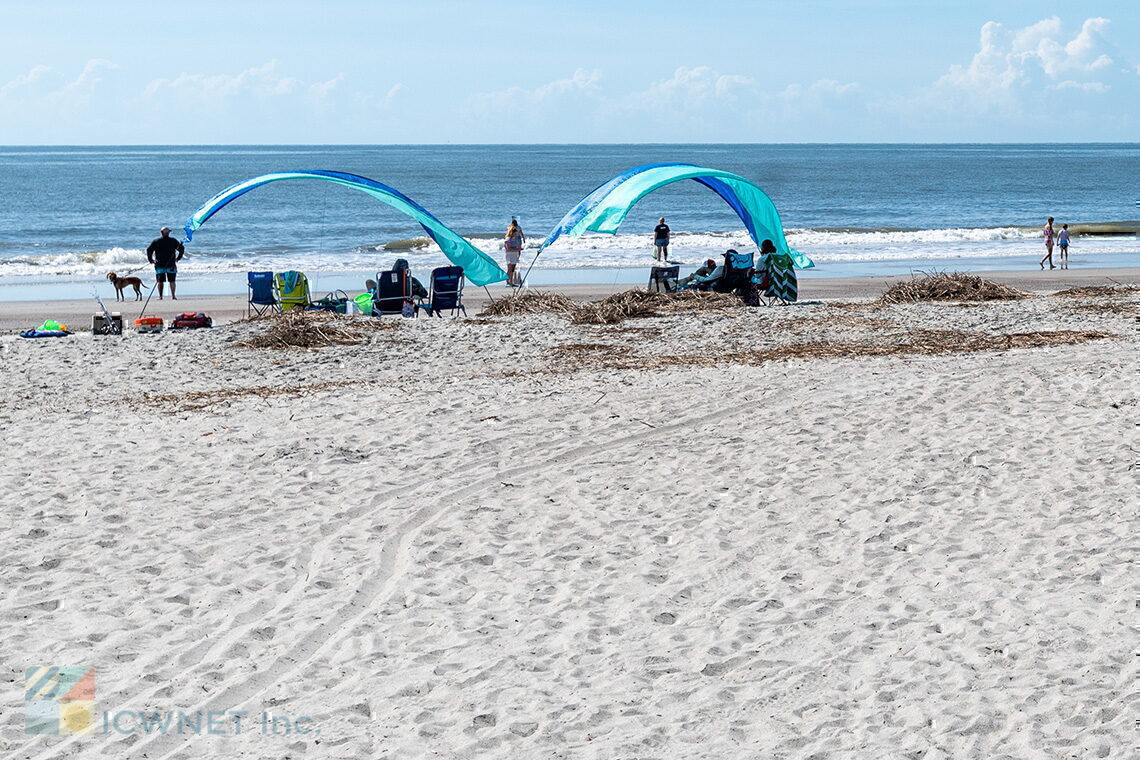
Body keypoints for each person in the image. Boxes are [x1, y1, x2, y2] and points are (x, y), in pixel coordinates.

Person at [146, 226, 184, 300]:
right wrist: (178, 258)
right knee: (169, 281)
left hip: (162, 264)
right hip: (168, 264)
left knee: (162, 281)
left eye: (168, 232)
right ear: (163, 232)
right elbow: (181, 249)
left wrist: (151, 260)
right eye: (167, 232)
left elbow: (149, 250)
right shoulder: (172, 241)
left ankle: (162, 296)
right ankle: (172, 296)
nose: (167, 233)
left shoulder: (157, 241)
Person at [504, 219, 525, 286]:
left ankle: (511, 281)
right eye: (515, 233)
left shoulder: (513, 239)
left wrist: (518, 248)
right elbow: (509, 249)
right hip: (510, 255)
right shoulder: (508, 239)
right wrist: (517, 250)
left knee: (512, 269)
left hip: (514, 254)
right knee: (510, 269)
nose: (516, 234)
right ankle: (508, 281)